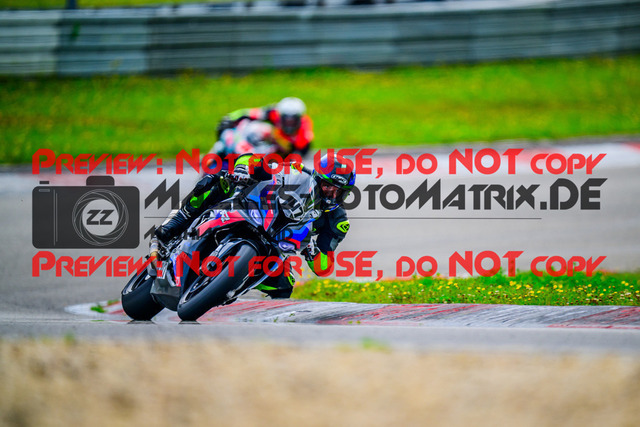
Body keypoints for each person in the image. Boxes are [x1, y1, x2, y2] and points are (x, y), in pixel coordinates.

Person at [151, 152, 355, 298]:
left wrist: (312, 251)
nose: (331, 194)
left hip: (277, 245)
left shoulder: (337, 221)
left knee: (284, 287)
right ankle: (175, 224)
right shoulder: (296, 172)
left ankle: (229, 288)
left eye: (339, 191)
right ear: (317, 178)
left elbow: (324, 268)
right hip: (255, 212)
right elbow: (255, 160)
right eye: (327, 186)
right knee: (218, 182)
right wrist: (242, 169)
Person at [216, 97, 314, 157]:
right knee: (258, 128)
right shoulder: (273, 113)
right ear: (280, 116)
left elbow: (299, 154)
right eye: (286, 119)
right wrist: (230, 118)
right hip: (262, 145)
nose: (289, 123)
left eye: (293, 120)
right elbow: (248, 113)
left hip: (275, 157)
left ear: (300, 118)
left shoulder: (305, 132)